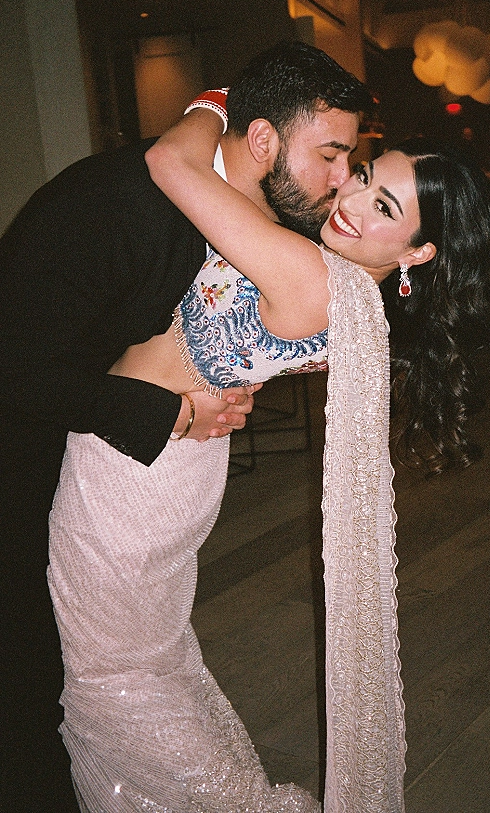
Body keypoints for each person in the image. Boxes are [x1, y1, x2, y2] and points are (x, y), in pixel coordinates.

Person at [44, 88, 490, 813]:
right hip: (172, 458)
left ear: (417, 252)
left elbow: (171, 163)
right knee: (145, 663)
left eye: (385, 208)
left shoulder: (312, 276)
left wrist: (218, 101)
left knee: (110, 676)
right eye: (365, 176)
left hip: (132, 470)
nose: (352, 199)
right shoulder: (352, 296)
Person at [0, 41, 371, 813]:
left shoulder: (244, 203)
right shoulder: (122, 208)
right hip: (26, 450)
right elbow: (21, 372)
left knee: (121, 660)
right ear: (263, 139)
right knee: (42, 672)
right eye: (331, 156)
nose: (342, 180)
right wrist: (173, 407)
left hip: (140, 470)